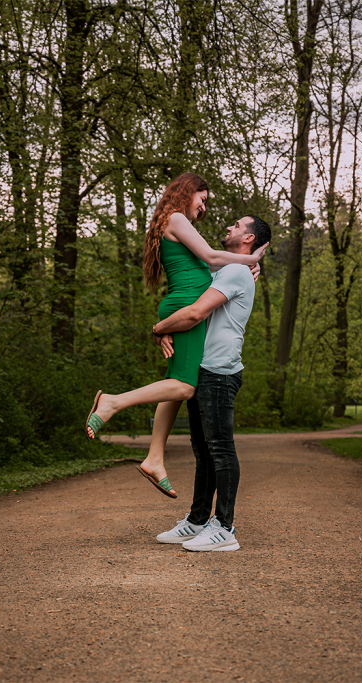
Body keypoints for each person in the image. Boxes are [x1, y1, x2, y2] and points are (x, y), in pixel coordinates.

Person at [83, 173, 267, 499]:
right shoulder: (177, 219)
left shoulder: (177, 223)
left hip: (181, 301)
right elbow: (212, 258)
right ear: (188, 191)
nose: (204, 207)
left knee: (176, 383)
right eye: (202, 199)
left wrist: (248, 267)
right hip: (185, 305)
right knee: (184, 386)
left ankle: (155, 458)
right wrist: (251, 258)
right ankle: (113, 402)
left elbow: (209, 269)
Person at [150, 214, 270, 552]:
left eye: (237, 226)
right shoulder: (229, 269)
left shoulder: (234, 272)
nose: (229, 228)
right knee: (203, 451)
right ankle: (198, 519)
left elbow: (195, 313)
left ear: (249, 238)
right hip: (203, 369)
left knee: (220, 449)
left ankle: (225, 527)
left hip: (219, 371)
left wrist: (159, 328)